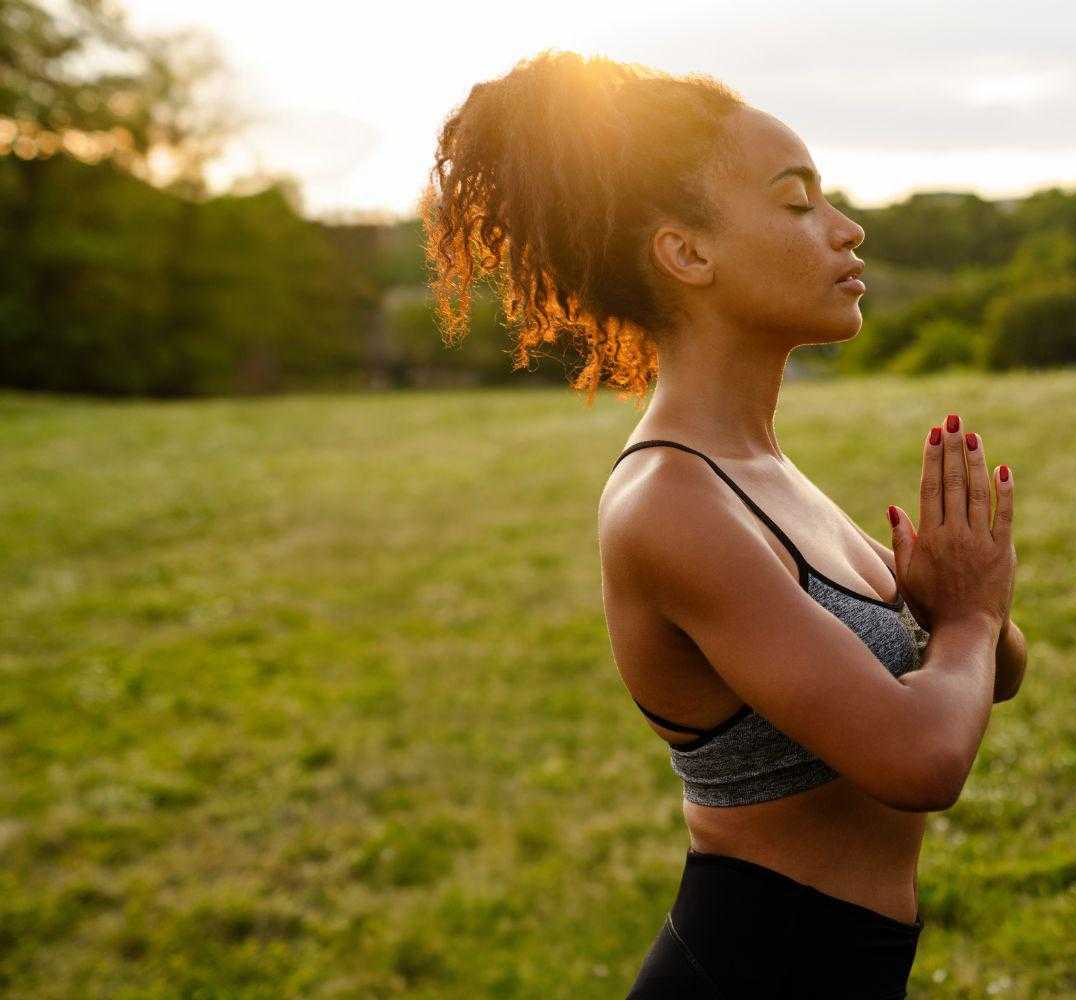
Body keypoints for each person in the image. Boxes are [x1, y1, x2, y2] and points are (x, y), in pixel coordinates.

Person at [421, 48, 1027, 999]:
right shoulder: (673, 505)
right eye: (798, 205)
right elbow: (920, 756)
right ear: (687, 253)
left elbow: (985, 674)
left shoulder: (763, 472)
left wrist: (959, 601)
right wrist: (973, 618)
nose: (847, 229)